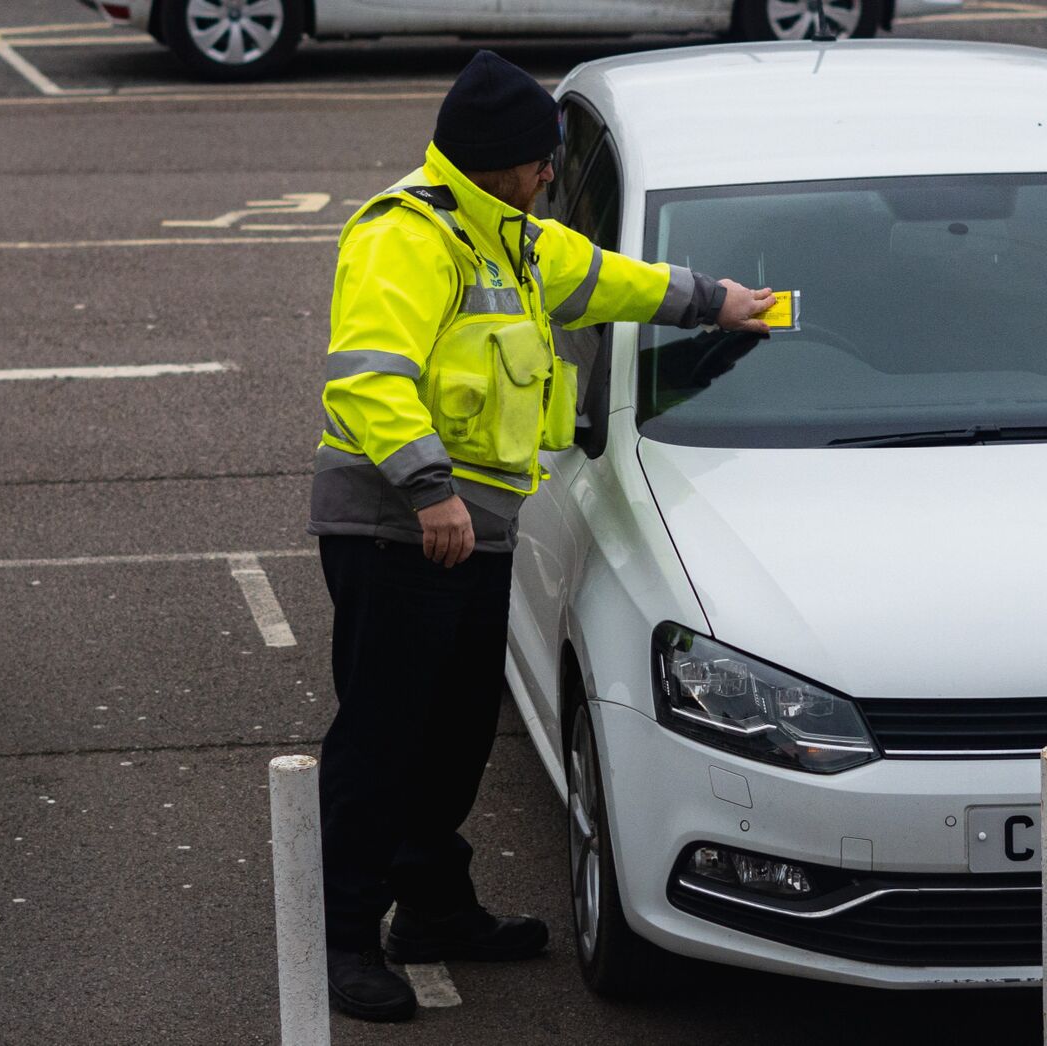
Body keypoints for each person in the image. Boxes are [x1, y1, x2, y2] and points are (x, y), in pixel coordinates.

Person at [307, 49, 773, 1023]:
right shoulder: (407, 237)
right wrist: (428, 490)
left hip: (472, 531)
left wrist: (717, 301)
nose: (551, 175)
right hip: (400, 528)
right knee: (383, 740)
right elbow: (367, 378)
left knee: (455, 734)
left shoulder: (511, 235)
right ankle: (345, 935)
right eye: (538, 161)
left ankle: (432, 907)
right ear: (490, 163)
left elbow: (606, 277)